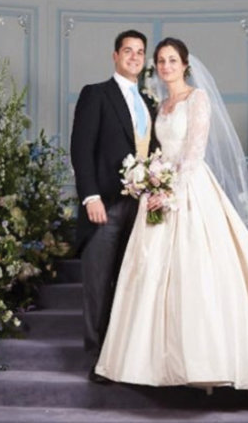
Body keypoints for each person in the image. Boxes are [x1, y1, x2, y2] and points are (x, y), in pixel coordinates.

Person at [94, 38, 248, 412]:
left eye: (172, 60)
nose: (166, 66)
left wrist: (168, 192)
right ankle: (156, 364)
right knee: (150, 275)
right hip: (159, 190)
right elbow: (155, 152)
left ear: (185, 65)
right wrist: (148, 182)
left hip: (190, 190)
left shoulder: (197, 99)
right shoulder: (160, 105)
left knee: (201, 275)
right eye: (161, 61)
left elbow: (194, 151)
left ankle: (212, 361)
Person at [69, 29, 159, 383]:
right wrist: (90, 196)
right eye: (128, 51)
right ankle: (98, 360)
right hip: (104, 204)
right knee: (98, 282)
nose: (134, 57)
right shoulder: (96, 94)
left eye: (140, 53)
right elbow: (81, 148)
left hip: (141, 208)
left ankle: (123, 359)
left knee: (129, 284)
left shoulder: (149, 103)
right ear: (115, 55)